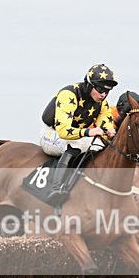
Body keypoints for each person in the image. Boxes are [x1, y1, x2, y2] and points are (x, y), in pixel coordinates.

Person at [39, 63, 118, 203]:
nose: (103, 94)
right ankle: (55, 188)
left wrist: (109, 131)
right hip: (52, 133)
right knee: (75, 144)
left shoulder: (102, 102)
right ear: (88, 84)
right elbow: (64, 131)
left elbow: (104, 121)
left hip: (77, 135)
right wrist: (89, 131)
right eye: (100, 89)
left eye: (107, 91)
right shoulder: (69, 95)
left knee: (99, 146)